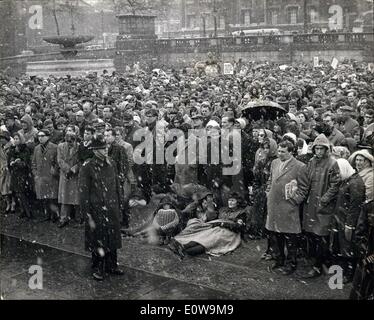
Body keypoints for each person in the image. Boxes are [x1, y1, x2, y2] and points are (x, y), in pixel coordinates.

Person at [290, 133, 340, 278]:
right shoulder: (311, 162)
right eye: (316, 148)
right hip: (310, 204)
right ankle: (314, 260)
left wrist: (324, 199)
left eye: (321, 149)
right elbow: (305, 180)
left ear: (326, 149)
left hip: (324, 205)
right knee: (311, 233)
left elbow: (335, 185)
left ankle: (318, 265)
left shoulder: (332, 163)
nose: (318, 151)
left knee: (321, 235)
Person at [78, 135, 124, 281]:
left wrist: (119, 202)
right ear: (94, 150)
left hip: (112, 207)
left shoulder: (111, 163)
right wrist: (85, 211)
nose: (105, 150)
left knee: (113, 236)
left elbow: (117, 185)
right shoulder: (88, 166)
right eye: (101, 148)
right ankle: (99, 267)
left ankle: (112, 265)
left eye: (106, 147)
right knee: (99, 237)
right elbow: (83, 190)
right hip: (96, 208)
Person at [266, 140, 305, 275]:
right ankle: (279, 259)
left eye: (283, 151)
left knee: (290, 237)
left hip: (288, 206)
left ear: (291, 152)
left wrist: (295, 201)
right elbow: (270, 179)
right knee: (276, 235)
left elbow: (304, 188)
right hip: (274, 204)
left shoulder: (300, 166)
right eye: (279, 151)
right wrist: (268, 191)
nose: (279, 154)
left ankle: (291, 263)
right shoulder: (274, 162)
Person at [169, 192, 245, 259]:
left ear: (237, 202)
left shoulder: (241, 213)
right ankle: (182, 246)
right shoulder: (223, 209)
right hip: (217, 228)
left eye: (233, 200)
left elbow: (238, 227)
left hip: (229, 233)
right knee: (203, 235)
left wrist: (223, 224)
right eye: (229, 200)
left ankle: (186, 250)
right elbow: (213, 217)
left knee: (210, 240)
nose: (230, 202)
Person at [330, 158, 366, 284]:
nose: (337, 175)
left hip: (348, 221)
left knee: (348, 248)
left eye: (338, 172)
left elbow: (355, 206)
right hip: (341, 219)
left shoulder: (355, 183)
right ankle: (345, 271)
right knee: (343, 247)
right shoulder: (348, 180)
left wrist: (349, 225)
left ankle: (349, 274)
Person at [31, 129, 60, 222]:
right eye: (39, 136)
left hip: (51, 176)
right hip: (40, 176)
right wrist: (35, 173)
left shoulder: (55, 147)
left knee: (52, 197)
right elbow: (33, 163)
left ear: (48, 136)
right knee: (44, 198)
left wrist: (54, 170)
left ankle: (54, 215)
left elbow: (58, 162)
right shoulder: (36, 148)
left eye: (42, 136)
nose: (40, 138)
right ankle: (46, 215)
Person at [57, 129, 81, 228]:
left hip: (75, 175)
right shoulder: (60, 146)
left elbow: (81, 161)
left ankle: (78, 218)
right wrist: (67, 170)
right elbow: (60, 160)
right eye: (68, 141)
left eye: (72, 141)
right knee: (65, 198)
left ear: (75, 140)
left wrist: (74, 169)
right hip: (65, 175)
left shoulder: (80, 147)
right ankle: (63, 219)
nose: (69, 143)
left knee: (77, 199)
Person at [7, 132, 33, 219]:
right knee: (18, 193)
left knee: (22, 193)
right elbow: (10, 159)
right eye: (14, 139)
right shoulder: (13, 149)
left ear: (21, 139)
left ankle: (28, 212)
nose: (15, 140)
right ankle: (23, 211)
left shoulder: (25, 149)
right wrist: (11, 161)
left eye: (17, 138)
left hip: (23, 174)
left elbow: (26, 163)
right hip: (15, 173)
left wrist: (17, 162)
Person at [0, 130, 13, 213]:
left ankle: (13, 203)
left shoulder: (12, 146)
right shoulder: (0, 147)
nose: (1, 140)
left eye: (2, 138)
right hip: (2, 170)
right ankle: (8, 203)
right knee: (2, 187)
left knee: (10, 187)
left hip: (10, 170)